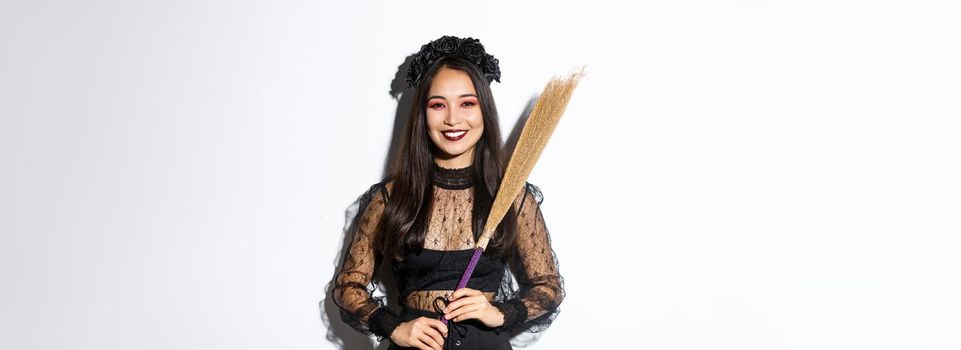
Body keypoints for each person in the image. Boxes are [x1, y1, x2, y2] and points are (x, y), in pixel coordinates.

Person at [332, 35, 563, 350]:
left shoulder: (511, 196)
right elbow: (349, 285)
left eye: (467, 103)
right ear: (422, 115)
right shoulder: (391, 196)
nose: (453, 119)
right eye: (438, 105)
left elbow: (548, 287)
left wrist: (500, 314)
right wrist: (396, 328)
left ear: (485, 111)